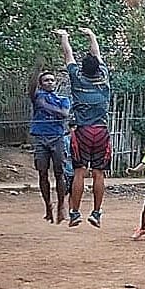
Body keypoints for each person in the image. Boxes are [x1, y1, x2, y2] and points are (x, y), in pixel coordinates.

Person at [55, 27, 111, 228]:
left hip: (83, 131)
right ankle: (96, 213)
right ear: (98, 68)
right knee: (99, 173)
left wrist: (64, 37)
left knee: (79, 171)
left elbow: (68, 55)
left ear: (83, 69)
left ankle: (75, 213)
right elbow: (97, 53)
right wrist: (92, 36)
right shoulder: (104, 79)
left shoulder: (77, 79)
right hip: (101, 131)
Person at [27, 64, 71, 223]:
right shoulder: (37, 96)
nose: (50, 82)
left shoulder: (63, 99)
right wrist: (36, 70)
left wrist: (45, 106)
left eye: (52, 80)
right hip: (41, 138)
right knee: (42, 172)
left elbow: (64, 114)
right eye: (46, 80)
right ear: (41, 84)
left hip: (57, 137)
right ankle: (48, 205)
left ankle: (61, 205)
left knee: (60, 172)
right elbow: (31, 88)